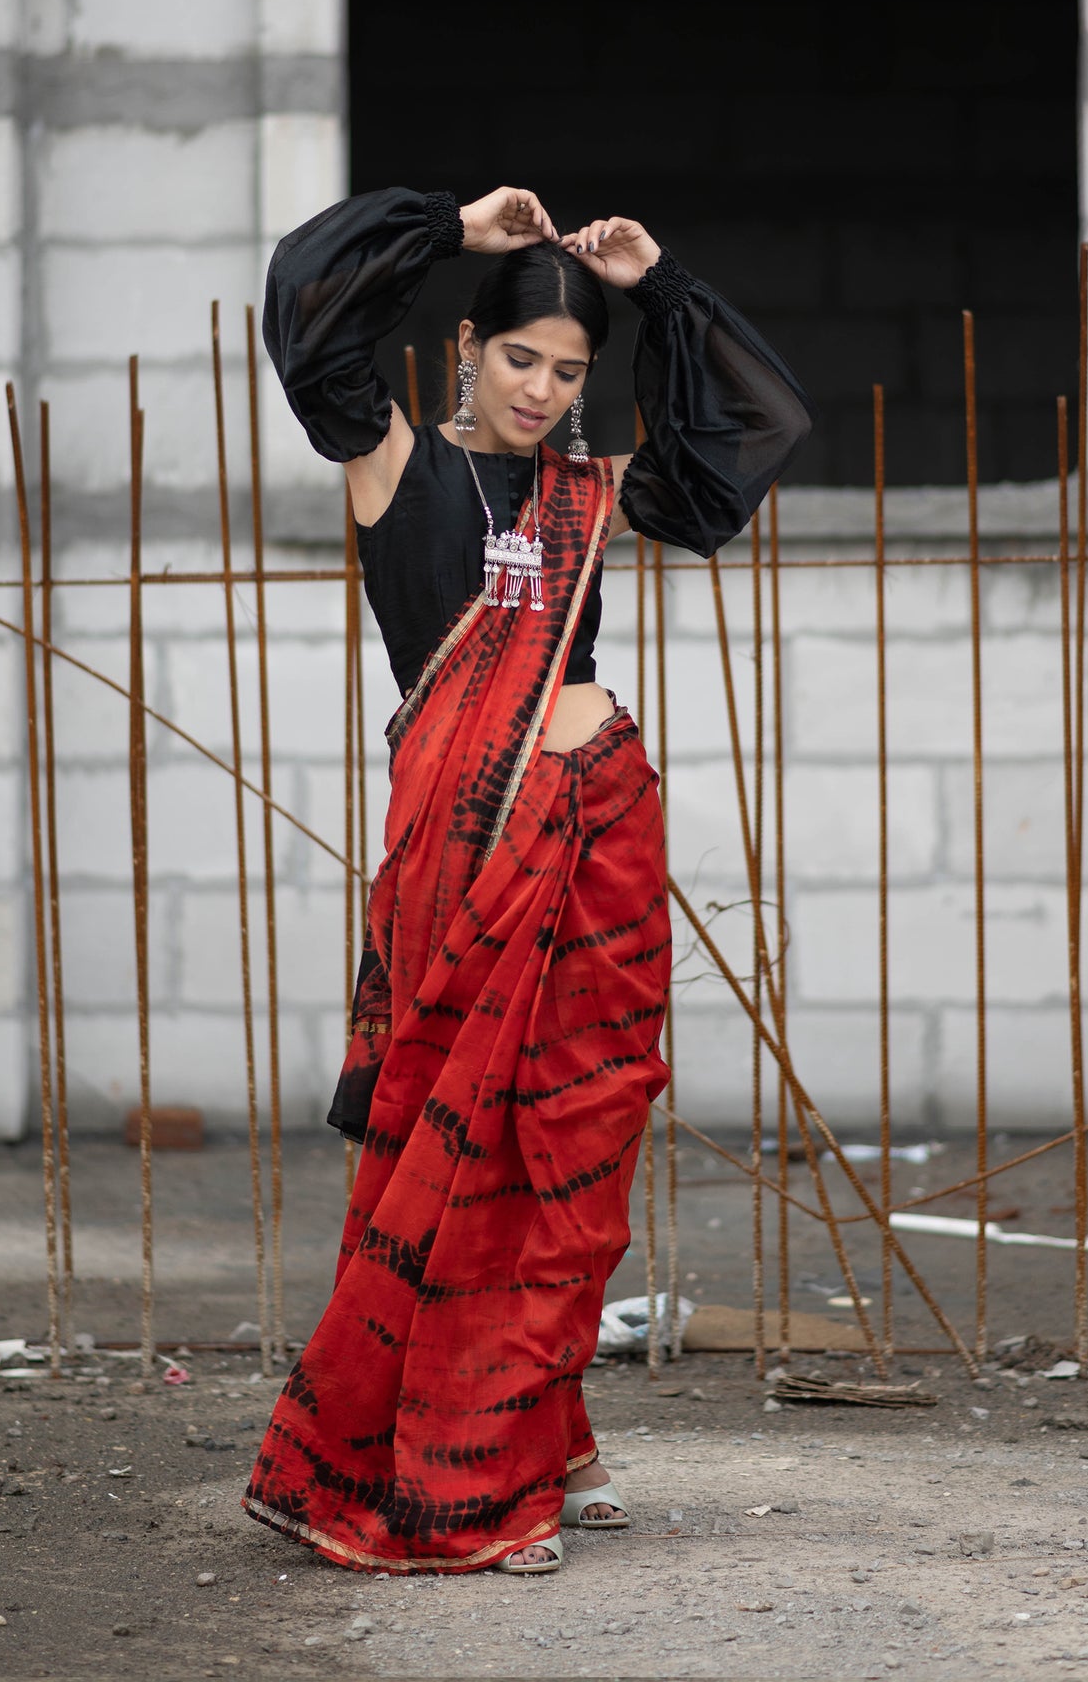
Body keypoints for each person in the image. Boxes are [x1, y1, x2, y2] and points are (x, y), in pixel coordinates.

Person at [243, 184, 814, 1574]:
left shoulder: (594, 491)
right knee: (458, 1154)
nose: (543, 390)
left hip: (589, 837)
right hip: (463, 853)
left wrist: (662, 284)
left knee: (566, 1150)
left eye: (567, 371)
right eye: (519, 360)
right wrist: (453, 231)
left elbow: (750, 431)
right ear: (463, 355)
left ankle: (539, 1431)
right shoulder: (392, 460)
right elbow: (308, 317)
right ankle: (451, 1477)